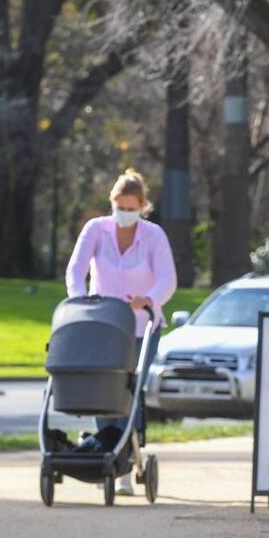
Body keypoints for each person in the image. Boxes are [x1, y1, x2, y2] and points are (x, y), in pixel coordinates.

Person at [65, 168, 177, 495]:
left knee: (129, 389)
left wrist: (150, 299)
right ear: (111, 202)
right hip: (102, 323)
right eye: (120, 206)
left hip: (142, 324)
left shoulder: (154, 236)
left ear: (142, 207)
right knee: (103, 387)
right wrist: (79, 300)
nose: (124, 214)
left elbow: (167, 279)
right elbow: (76, 269)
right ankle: (105, 453)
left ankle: (128, 465)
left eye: (131, 208)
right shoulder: (95, 230)